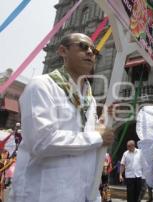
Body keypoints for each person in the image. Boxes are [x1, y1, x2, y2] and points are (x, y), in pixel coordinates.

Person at [9, 33, 115, 202]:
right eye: (82, 46)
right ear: (62, 51)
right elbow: (41, 141)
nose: (90, 52)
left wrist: (93, 194)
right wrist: (97, 136)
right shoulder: (42, 85)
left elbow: (86, 147)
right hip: (43, 193)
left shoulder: (90, 99)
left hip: (80, 194)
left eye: (93, 50)